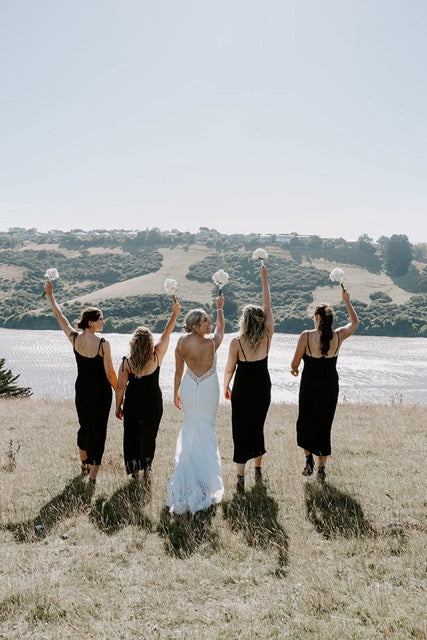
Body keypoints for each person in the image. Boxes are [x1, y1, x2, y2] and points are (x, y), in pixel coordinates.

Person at [44, 281, 117, 484]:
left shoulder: (75, 339)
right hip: (101, 393)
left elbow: (61, 317)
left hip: (82, 390)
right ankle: (92, 477)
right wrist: (121, 393)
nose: (103, 321)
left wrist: (50, 296)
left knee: (84, 426)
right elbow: (110, 373)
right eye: (101, 318)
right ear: (92, 322)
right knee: (99, 431)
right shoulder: (103, 343)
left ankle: (84, 464)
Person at [290, 288, 359, 481]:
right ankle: (321, 468)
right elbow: (355, 323)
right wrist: (347, 301)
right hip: (329, 387)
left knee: (305, 423)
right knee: (324, 425)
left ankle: (308, 459)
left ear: (318, 317)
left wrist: (294, 369)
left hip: (310, 387)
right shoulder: (338, 336)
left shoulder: (306, 336)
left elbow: (295, 363)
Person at [166, 296, 225, 514]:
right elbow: (221, 329)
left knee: (193, 426)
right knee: (205, 429)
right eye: (205, 321)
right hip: (209, 387)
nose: (209, 323)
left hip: (189, 387)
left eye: (209, 320)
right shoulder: (211, 342)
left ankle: (194, 474)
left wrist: (176, 392)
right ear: (195, 326)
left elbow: (178, 372)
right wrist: (220, 309)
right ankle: (206, 480)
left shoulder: (181, 342)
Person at [115, 300, 180, 480]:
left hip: (133, 404)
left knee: (132, 436)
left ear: (133, 343)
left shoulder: (126, 362)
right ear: (150, 342)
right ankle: (147, 467)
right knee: (149, 436)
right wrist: (175, 313)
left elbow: (120, 388)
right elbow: (167, 332)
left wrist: (117, 407)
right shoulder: (157, 355)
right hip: (153, 404)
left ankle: (134, 471)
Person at [224, 265, 274, 493]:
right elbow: (268, 306)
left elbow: (229, 369)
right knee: (257, 427)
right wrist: (264, 280)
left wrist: (226, 386)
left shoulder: (236, 342)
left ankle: (240, 477)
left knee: (240, 430)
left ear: (244, 321)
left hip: (242, 390)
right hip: (262, 388)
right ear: (261, 321)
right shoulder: (267, 335)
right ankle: (258, 470)